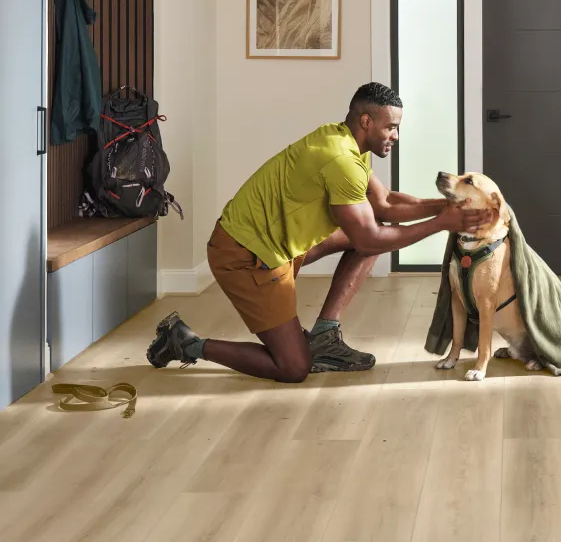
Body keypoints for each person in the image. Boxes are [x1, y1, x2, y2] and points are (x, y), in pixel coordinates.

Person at [146, 82, 492, 382]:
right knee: (294, 367)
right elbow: (367, 238)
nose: (396, 136)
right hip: (246, 256)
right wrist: (441, 224)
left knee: (377, 229)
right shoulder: (340, 161)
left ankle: (325, 334)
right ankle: (186, 342)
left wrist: (442, 207)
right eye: (391, 128)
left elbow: (384, 204)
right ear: (366, 121)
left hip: (277, 244)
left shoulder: (346, 141)